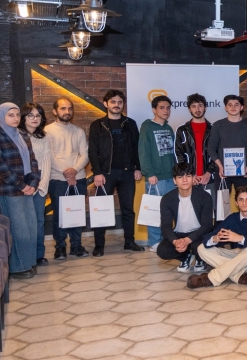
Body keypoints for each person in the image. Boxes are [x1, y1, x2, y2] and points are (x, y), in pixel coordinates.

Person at [0, 103, 40, 278]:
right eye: (11, 115)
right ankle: (19, 267)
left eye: (17, 114)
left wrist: (33, 182)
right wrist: (21, 185)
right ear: (1, 116)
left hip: (28, 187)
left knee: (31, 227)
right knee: (18, 230)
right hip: (9, 189)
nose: (15, 118)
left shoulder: (22, 134)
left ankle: (29, 262)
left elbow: (33, 160)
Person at [89, 89, 144, 256]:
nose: (116, 105)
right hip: (106, 173)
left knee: (128, 209)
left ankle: (129, 242)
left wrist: (138, 167)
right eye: (113, 102)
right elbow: (93, 151)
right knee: (101, 208)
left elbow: (137, 147)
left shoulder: (130, 123)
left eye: (120, 102)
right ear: (105, 104)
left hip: (127, 173)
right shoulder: (97, 125)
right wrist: (97, 172)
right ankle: (99, 245)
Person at [189, 185, 247, 289]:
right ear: (236, 203)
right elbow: (210, 235)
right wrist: (215, 238)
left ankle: (210, 278)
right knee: (201, 248)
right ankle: (241, 276)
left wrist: (241, 239)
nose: (244, 203)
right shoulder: (232, 218)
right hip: (236, 256)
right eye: (241, 200)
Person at [44, 98, 89, 259]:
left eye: (70, 108)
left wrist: (74, 170)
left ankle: (76, 246)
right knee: (59, 215)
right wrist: (67, 173)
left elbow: (85, 154)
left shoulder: (78, 131)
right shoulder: (47, 131)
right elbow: (49, 156)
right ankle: (60, 248)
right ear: (55, 111)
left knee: (77, 213)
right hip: (57, 179)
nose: (67, 112)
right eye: (63, 108)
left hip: (79, 178)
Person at [157, 162, 214, 272]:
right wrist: (175, 241)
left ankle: (200, 259)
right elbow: (166, 227)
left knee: (199, 247)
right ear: (174, 180)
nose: (184, 180)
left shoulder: (205, 197)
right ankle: (185, 257)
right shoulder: (167, 199)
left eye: (188, 176)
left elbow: (207, 225)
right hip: (179, 234)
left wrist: (188, 240)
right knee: (162, 250)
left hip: (199, 233)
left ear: (193, 178)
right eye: (180, 177)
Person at [138, 95, 177, 251]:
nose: (165, 110)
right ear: (154, 110)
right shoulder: (147, 127)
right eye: (161, 108)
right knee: (154, 210)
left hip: (170, 177)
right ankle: (154, 242)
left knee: (168, 211)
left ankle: (166, 239)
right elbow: (143, 152)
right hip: (155, 177)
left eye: (168, 108)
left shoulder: (168, 128)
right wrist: (149, 173)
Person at [208, 94, 247, 195]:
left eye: (236, 104)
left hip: (244, 172)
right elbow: (211, 149)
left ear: (241, 107)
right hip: (222, 172)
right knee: (222, 203)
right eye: (230, 105)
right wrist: (220, 166)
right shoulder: (217, 125)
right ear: (225, 108)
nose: (233, 107)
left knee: (245, 200)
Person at [22, 103, 52, 267]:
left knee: (39, 221)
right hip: (22, 183)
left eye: (38, 115)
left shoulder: (44, 136)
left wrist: (42, 185)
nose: (34, 118)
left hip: (40, 182)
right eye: (31, 115)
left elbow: (47, 162)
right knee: (24, 222)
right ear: (24, 117)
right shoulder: (17, 135)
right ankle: (26, 256)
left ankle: (39, 255)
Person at [175, 93, 214, 196]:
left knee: (210, 206)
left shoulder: (214, 129)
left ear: (205, 107)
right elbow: (178, 155)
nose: (197, 109)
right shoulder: (182, 130)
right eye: (193, 106)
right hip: (189, 181)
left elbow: (217, 153)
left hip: (210, 179)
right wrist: (189, 175)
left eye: (200, 105)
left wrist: (208, 173)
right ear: (189, 109)